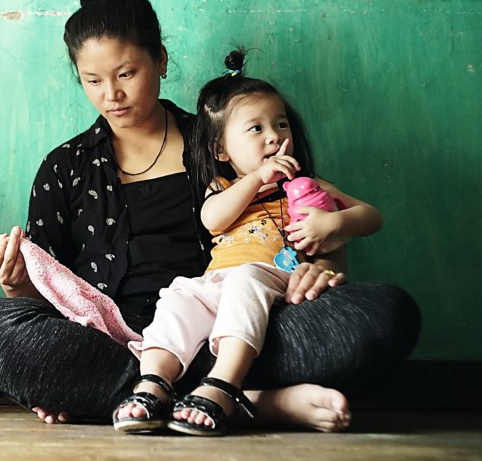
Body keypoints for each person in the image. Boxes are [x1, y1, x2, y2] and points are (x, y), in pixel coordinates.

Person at [0, 0, 420, 432]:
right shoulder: (64, 167)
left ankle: (135, 395)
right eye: (93, 81)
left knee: (385, 312)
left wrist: (317, 271)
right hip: (111, 338)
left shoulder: (222, 144)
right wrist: (13, 282)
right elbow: (49, 295)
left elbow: (301, 214)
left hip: (234, 323)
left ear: (161, 61)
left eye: (127, 73)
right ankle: (243, 398)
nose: (111, 94)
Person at [114, 49, 383, 436]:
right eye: (256, 129)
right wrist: (256, 179)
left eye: (281, 125)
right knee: (178, 296)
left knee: (246, 280)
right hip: (216, 283)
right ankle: (154, 383)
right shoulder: (225, 187)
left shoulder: (307, 187)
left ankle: (223, 383)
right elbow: (212, 219)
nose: (275, 136)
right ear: (221, 150)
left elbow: (372, 216)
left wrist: (334, 220)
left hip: (271, 280)